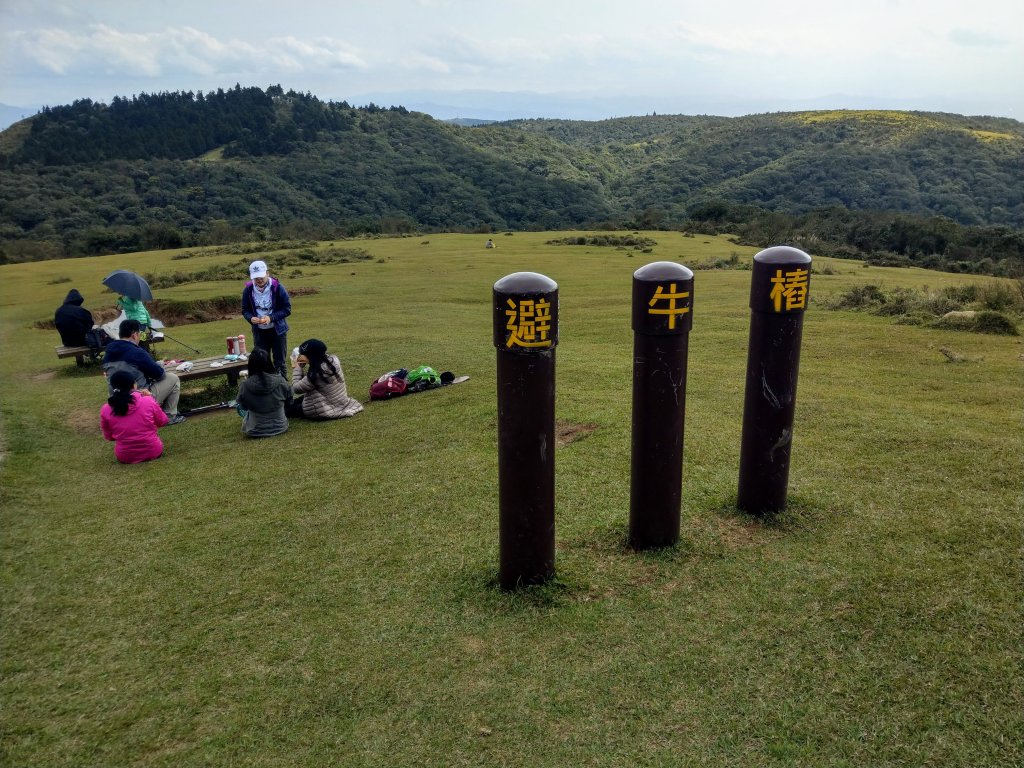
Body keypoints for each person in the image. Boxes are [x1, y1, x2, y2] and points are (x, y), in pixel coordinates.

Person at [103, 319, 185, 425]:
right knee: (172, 378)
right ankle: (169, 416)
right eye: (140, 334)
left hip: (115, 397)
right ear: (135, 335)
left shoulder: (109, 350)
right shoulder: (136, 352)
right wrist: (159, 364)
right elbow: (160, 375)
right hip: (137, 399)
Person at [100, 369, 169, 464]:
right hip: (153, 451)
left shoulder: (106, 409)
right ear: (133, 385)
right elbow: (163, 421)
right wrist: (150, 398)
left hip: (125, 456)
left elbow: (109, 437)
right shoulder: (148, 401)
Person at [287, 339, 363, 420]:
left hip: (320, 409)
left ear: (311, 357)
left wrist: (297, 366)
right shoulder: (333, 361)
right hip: (336, 400)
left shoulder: (316, 374)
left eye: (303, 355)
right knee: (292, 402)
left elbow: (296, 388)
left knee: (285, 410)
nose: (301, 357)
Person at [241, 260, 291, 378]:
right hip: (259, 332)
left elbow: (287, 309)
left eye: (261, 276)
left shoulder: (278, 287)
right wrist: (251, 318)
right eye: (256, 277)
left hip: (277, 330)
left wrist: (271, 317)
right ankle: (263, 388)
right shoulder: (248, 290)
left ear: (267, 273)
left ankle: (282, 389)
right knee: (261, 360)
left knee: (280, 362)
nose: (259, 280)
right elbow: (245, 310)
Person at [235, 348, 291, 438]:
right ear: (269, 363)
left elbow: (242, 407)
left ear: (250, 365)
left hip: (255, 430)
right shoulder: (281, 381)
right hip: (280, 426)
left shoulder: (245, 385)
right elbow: (289, 401)